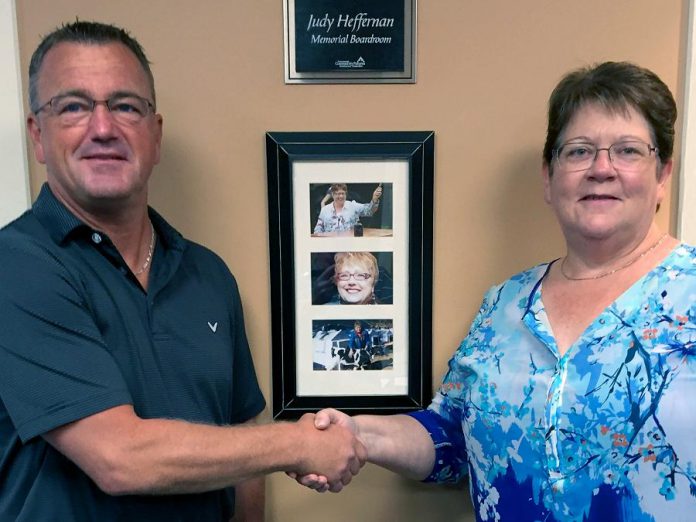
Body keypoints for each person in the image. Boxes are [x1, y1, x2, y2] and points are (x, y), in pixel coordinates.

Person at [295, 62, 696, 521]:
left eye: (627, 151)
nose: (601, 169)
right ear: (549, 177)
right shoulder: (505, 305)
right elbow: (451, 438)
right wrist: (358, 434)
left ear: (663, 173)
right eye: (579, 151)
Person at [0, 21, 365, 521]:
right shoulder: (17, 266)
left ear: (155, 135)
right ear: (38, 136)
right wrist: (299, 444)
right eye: (74, 106)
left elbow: (242, 444)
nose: (102, 128)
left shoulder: (209, 275)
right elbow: (119, 457)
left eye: (126, 106)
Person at [313, 183, 382, 235]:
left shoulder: (353, 206)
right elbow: (318, 229)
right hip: (330, 249)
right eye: (338, 194)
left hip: (351, 247)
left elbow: (369, 211)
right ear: (333, 195)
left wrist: (374, 199)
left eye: (343, 193)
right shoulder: (325, 210)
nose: (341, 196)